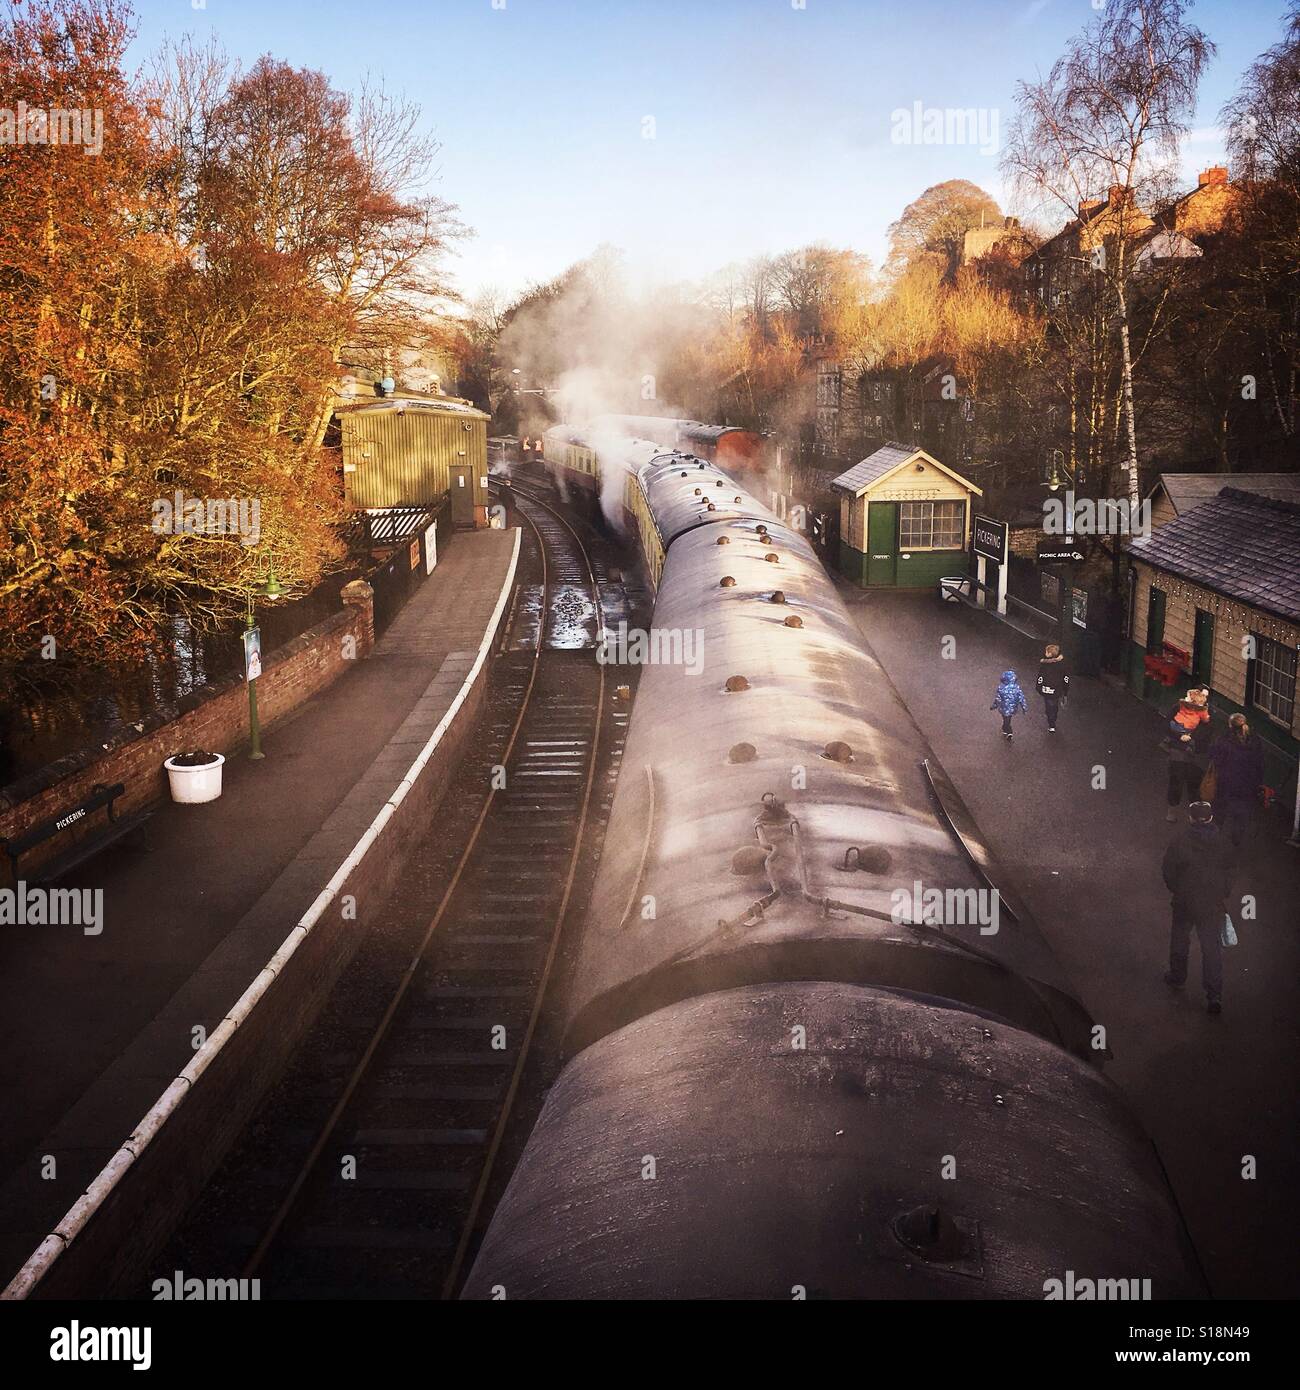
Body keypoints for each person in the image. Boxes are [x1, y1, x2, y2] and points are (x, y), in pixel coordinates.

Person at [1161, 800, 1232, 1015]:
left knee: (1180, 938)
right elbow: (1230, 871)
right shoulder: (1223, 842)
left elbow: (1168, 871)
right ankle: (1214, 995)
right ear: (1211, 818)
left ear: (1190, 818)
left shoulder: (1179, 841)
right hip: (1211, 903)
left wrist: (1178, 889)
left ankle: (1177, 976)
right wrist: (1222, 892)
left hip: (1184, 901)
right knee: (1211, 948)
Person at [1206, 713, 1265, 852]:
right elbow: (1260, 764)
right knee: (1241, 814)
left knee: (1220, 811)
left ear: (1230, 725)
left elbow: (1213, 755)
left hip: (1226, 783)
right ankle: (1236, 842)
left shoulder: (1224, 740)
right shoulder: (1255, 741)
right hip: (1247, 786)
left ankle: (1213, 838)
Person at [1165, 686, 1211, 822]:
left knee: (1186, 783)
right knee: (1183, 782)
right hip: (1186, 752)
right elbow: (1168, 724)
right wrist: (1182, 736)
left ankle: (1178, 812)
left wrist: (1188, 736)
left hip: (1187, 753)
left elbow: (1207, 732)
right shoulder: (1178, 707)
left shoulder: (1203, 713)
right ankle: (1183, 813)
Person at [1035, 643, 1070, 733]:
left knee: (1048, 706)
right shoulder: (1062, 665)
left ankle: (1051, 724)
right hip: (1057, 690)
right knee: (1054, 704)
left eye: (1046, 652)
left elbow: (1040, 677)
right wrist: (1065, 692)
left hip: (1047, 689)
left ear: (1050, 654)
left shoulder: (1045, 665)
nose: (1045, 653)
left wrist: (1038, 687)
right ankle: (1053, 718)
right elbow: (1066, 679)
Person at [990, 670, 1028, 741]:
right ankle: (1006, 729)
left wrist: (994, 706)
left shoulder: (1001, 688)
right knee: (1008, 717)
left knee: (1005, 718)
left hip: (1004, 707)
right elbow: (1021, 698)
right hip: (1013, 707)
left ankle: (1008, 730)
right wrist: (1024, 708)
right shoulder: (1017, 688)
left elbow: (998, 699)